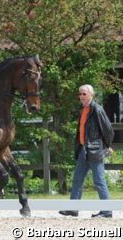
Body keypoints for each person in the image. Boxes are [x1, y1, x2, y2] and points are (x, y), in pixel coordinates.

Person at [59, 84, 114, 218]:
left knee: (99, 181)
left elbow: (108, 130)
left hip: (95, 151)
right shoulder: (84, 110)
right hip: (83, 150)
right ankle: (73, 209)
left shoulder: (97, 109)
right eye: (80, 94)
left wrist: (106, 146)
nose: (81, 96)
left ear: (91, 95)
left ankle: (107, 211)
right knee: (77, 180)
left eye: (84, 94)